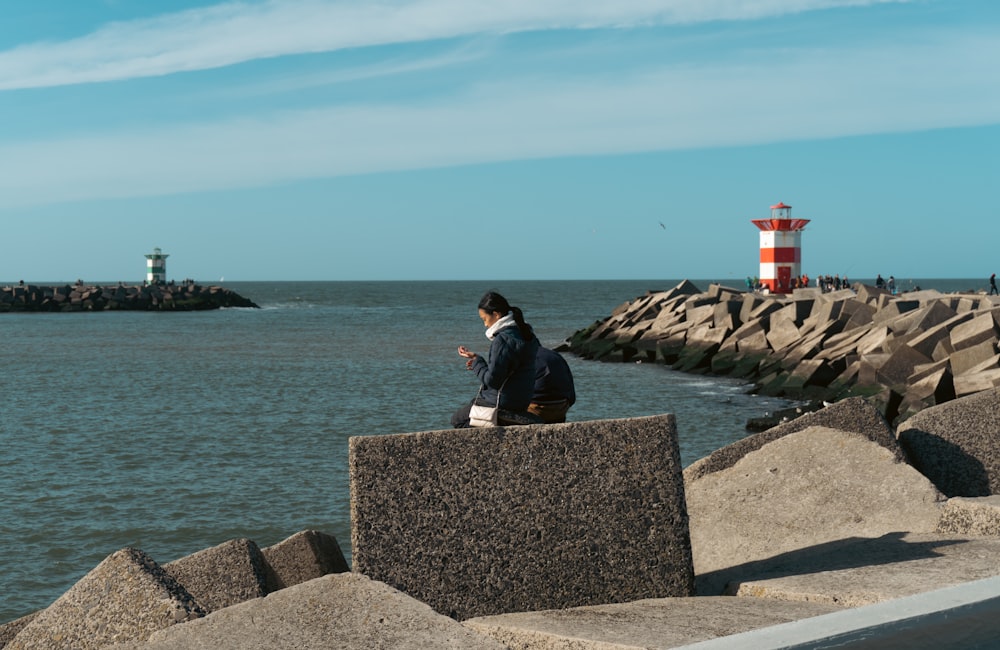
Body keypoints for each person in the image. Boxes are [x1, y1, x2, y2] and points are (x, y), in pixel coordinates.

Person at [452, 291, 540, 428]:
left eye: (484, 319)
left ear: (496, 315)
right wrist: (477, 359)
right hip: (522, 399)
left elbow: (493, 381)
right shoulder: (526, 334)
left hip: (503, 401)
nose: (485, 325)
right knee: (473, 405)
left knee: (458, 419)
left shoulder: (502, 340)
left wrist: (477, 364)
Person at [528, 346, 577, 423]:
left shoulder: (523, 357)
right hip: (561, 407)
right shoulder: (556, 356)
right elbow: (572, 394)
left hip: (535, 409)